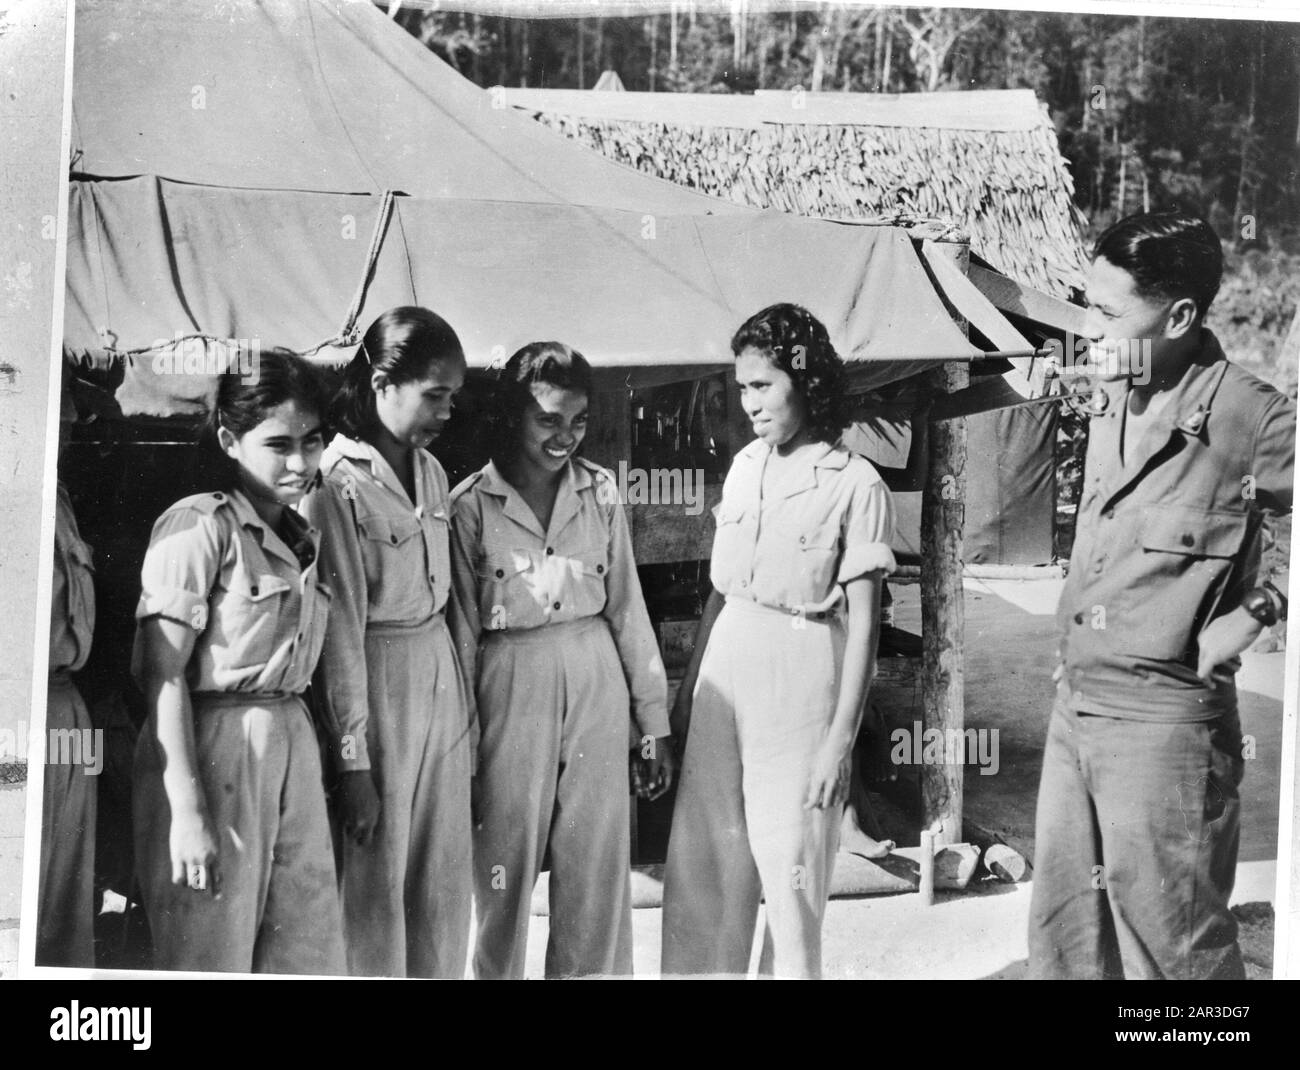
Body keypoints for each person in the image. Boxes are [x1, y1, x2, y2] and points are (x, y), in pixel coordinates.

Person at [1029, 212, 1295, 980]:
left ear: (1179, 315)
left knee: (1172, 946)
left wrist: (1257, 612)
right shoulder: (1118, 389)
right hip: (1074, 703)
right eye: (1088, 304)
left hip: (1167, 722)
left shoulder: (1257, 418)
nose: (1089, 327)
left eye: (1108, 313)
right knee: (1068, 938)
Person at [661, 303, 896, 979]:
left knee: (790, 868)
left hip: (802, 672)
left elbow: (866, 628)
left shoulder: (856, 484)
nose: (749, 403)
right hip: (726, 668)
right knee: (704, 858)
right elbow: (720, 591)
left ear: (806, 382)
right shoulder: (743, 466)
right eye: (742, 388)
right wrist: (688, 691)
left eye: (763, 386)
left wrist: (838, 743)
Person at [449, 341, 674, 979]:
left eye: (576, 421)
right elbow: (464, 634)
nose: (564, 436)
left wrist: (651, 724)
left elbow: (628, 608)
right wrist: (463, 747)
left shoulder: (600, 493)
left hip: (594, 670)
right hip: (508, 680)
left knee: (596, 860)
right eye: (548, 419)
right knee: (501, 863)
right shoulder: (470, 506)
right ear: (513, 415)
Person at [132, 348, 345, 974]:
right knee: (211, 950)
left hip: (289, 738)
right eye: (279, 444)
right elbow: (162, 675)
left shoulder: (302, 533)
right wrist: (188, 813)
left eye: (313, 441)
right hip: (213, 746)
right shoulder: (200, 528)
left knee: (307, 952)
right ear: (230, 438)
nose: (301, 461)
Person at [300, 307, 474, 978]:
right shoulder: (335, 482)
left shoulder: (432, 473)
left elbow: (451, 602)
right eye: (435, 395)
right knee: (376, 883)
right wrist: (354, 761)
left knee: (442, 881)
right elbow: (340, 629)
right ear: (381, 382)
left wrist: (466, 709)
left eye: (453, 397)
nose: (447, 412)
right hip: (377, 686)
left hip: (438, 680)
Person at [37, 369, 99, 967]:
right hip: (19, 716)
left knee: (65, 903)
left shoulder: (57, 498)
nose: (76, 421)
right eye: (62, 406)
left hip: (67, 710)